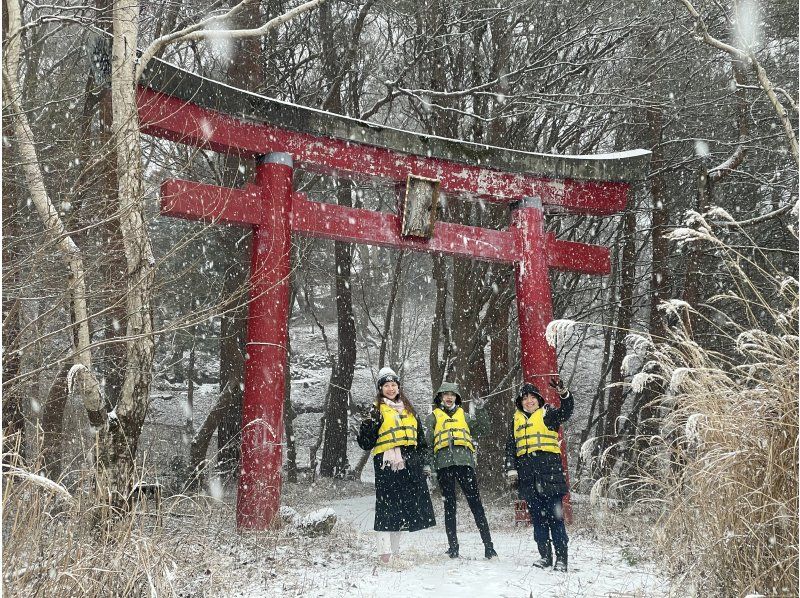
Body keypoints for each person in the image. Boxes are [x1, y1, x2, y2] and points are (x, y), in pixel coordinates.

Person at [357, 366, 436, 564]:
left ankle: (395, 552)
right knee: (386, 507)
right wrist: (367, 425)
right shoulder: (376, 410)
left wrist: (425, 463)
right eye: (386, 385)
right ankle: (384, 555)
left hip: (409, 463)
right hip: (386, 464)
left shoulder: (409, 410)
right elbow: (365, 443)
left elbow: (421, 441)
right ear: (380, 388)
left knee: (402, 508)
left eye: (393, 385)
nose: (390, 389)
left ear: (398, 387)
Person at [505, 378, 573, 572]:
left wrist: (564, 394)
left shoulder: (548, 414)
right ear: (520, 402)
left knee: (556, 519)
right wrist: (511, 469)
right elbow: (510, 448)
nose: (529, 401)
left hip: (550, 477)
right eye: (525, 398)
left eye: (532, 397)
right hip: (528, 479)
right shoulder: (516, 421)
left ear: (538, 399)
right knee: (538, 520)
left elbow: (566, 411)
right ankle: (545, 556)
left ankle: (561, 558)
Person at [425, 382, 497, 560]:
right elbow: (428, 444)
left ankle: (489, 548)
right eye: (445, 394)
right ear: (440, 398)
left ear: (457, 398)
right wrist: (429, 466)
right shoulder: (433, 417)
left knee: (476, 504)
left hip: (464, 463)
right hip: (444, 466)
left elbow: (485, 429)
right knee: (449, 507)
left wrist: (480, 409)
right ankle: (453, 548)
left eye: (452, 394)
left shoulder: (464, 416)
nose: (449, 397)